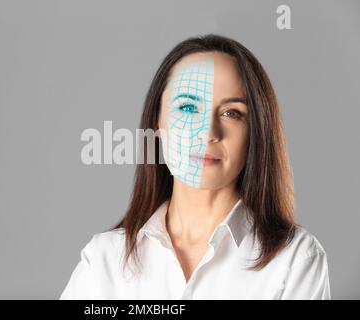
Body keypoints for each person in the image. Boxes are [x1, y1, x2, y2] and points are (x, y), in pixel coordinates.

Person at [59, 34, 331, 299]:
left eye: (231, 113)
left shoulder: (295, 260)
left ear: (257, 132)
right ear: (157, 123)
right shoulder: (104, 260)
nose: (207, 131)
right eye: (188, 108)